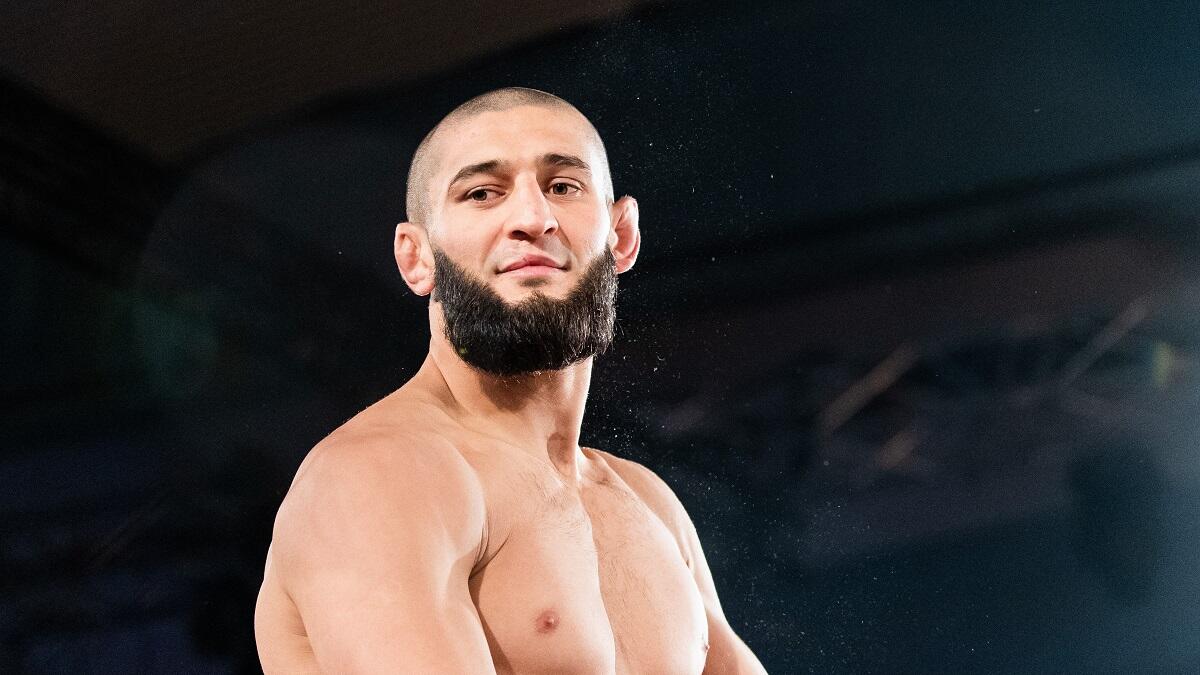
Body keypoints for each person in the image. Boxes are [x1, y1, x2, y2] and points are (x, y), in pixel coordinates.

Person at [254, 86, 767, 674]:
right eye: (482, 193)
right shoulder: (379, 473)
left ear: (621, 235)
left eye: (563, 186)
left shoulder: (647, 501)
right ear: (416, 257)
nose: (532, 219)